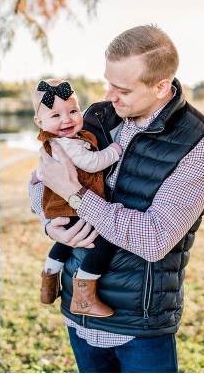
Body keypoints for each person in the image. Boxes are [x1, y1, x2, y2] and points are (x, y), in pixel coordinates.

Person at [30, 24, 204, 372]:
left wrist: (75, 196)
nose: (109, 95)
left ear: (161, 86)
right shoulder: (97, 115)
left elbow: (154, 239)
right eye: (107, 82)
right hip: (78, 317)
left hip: (139, 325)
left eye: (122, 89)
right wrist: (51, 223)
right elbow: (41, 179)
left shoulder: (201, 143)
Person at [31, 79, 123, 318]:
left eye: (73, 111)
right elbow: (92, 163)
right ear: (40, 122)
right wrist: (113, 151)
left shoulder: (53, 142)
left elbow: (44, 170)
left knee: (65, 241)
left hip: (61, 210)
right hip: (75, 206)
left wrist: (36, 174)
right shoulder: (68, 144)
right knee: (103, 241)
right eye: (56, 116)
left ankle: (48, 283)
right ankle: (84, 295)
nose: (67, 119)